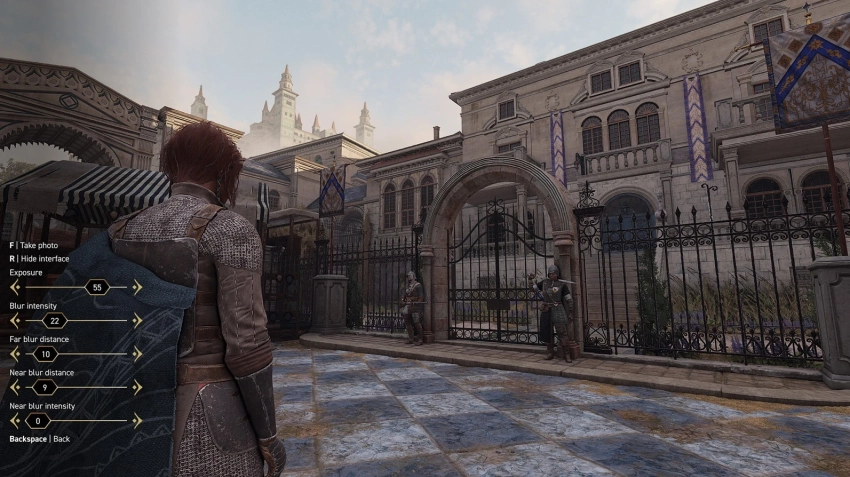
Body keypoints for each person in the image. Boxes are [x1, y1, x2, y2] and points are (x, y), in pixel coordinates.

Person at [108, 122, 286, 476]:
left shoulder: (120, 229)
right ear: (225, 173)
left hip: (127, 407)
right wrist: (268, 435)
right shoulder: (231, 229)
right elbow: (247, 345)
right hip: (206, 418)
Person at [529, 265, 574, 363]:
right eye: (550, 274)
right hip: (546, 309)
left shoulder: (562, 284)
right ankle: (550, 352)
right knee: (547, 332)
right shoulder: (544, 282)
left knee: (562, 333)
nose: (551, 276)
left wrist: (570, 312)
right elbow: (533, 289)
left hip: (558, 309)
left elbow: (569, 299)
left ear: (557, 274)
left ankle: (567, 354)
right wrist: (530, 279)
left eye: (553, 274)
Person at [401, 270, 426, 346]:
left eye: (410, 275)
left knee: (416, 322)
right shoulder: (407, 286)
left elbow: (421, 296)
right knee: (407, 321)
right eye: (408, 276)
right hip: (408, 304)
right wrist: (402, 300)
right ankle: (411, 338)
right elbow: (403, 295)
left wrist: (418, 302)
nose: (408, 277)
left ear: (413, 276)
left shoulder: (418, 285)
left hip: (415, 306)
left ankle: (420, 339)